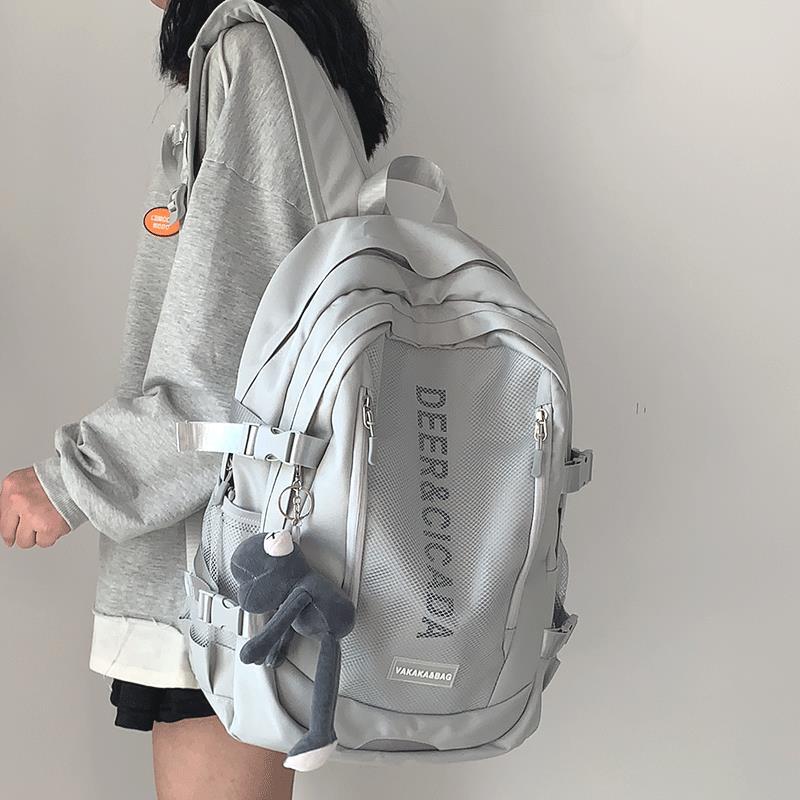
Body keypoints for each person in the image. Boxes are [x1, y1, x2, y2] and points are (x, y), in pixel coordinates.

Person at [0, 0, 391, 797]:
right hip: (237, 554)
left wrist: (71, 482)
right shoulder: (277, 59)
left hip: (221, 573)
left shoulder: (253, 57)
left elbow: (225, 376)